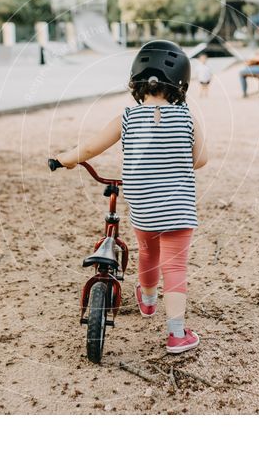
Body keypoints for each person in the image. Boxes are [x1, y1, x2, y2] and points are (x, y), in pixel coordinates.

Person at [55, 40, 208, 354]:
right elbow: (202, 159)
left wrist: (65, 159)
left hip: (144, 208)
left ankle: (149, 301)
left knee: (148, 253)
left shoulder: (126, 117)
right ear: (182, 82)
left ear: (136, 80)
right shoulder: (189, 117)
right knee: (175, 267)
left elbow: (89, 149)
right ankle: (177, 334)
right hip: (179, 208)